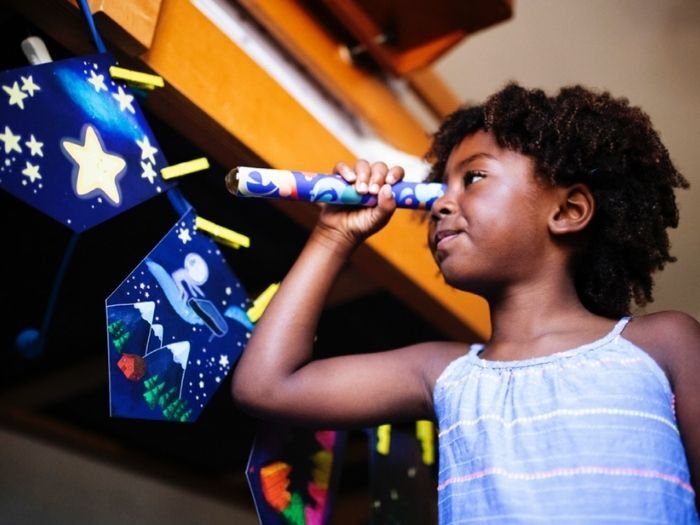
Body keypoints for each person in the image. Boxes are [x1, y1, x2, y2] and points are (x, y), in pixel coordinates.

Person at [231, 82, 699, 523]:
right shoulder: (441, 373)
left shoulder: (664, 344)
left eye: (472, 177)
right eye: (440, 188)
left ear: (567, 211)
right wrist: (333, 235)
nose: (438, 205)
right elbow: (267, 386)